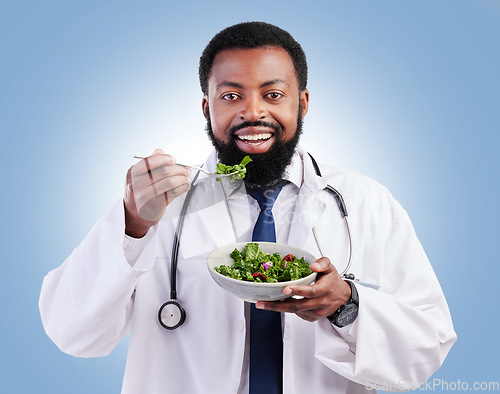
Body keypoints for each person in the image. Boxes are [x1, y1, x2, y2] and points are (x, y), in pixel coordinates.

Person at [39, 22, 457, 393]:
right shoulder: (158, 206)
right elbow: (72, 333)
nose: (253, 112)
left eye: (273, 94)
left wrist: (346, 304)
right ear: (208, 107)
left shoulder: (366, 203)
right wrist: (132, 224)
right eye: (231, 95)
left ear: (303, 103)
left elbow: (426, 352)